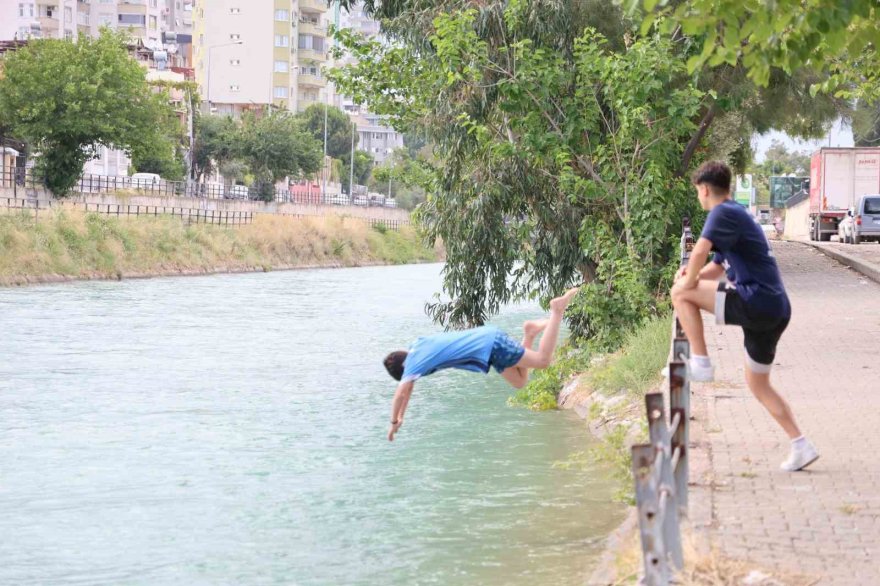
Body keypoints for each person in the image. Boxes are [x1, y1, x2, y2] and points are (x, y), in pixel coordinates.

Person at [670, 161, 818, 471]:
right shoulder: (737, 214)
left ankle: (701, 363)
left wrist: (686, 281)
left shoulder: (722, 213)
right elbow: (716, 267)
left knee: (680, 294)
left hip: (757, 301)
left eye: (698, 191)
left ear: (705, 189)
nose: (699, 197)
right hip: (776, 308)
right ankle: (801, 445)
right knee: (757, 384)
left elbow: (699, 253)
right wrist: (693, 276)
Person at [383, 287, 579, 441]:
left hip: (490, 345)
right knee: (520, 382)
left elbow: (401, 392)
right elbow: (407, 391)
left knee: (542, 361)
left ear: (403, 370)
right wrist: (401, 417)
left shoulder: (413, 365)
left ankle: (556, 310)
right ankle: (529, 332)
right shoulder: (417, 347)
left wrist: (393, 422)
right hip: (487, 350)